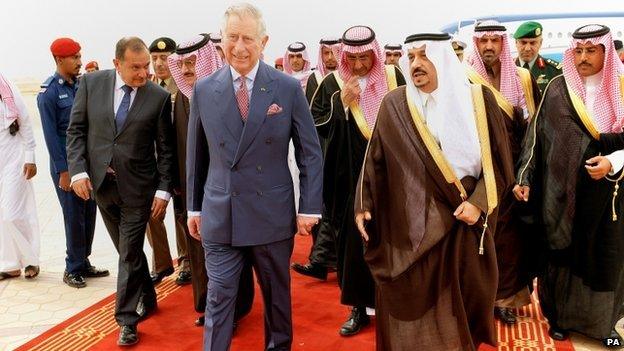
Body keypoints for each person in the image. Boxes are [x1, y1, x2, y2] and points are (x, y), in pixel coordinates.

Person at [355, 32, 514, 351]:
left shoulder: (478, 101)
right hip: (410, 225)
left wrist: (479, 204)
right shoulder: (395, 104)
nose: (416, 64)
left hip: (462, 221)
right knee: (412, 299)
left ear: (443, 58)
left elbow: (499, 163)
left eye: (425, 56)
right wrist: (363, 204)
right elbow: (375, 161)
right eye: (411, 57)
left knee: (461, 299)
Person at [186, 4, 323, 350]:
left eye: (248, 38)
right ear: (221, 41)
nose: (240, 47)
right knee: (218, 302)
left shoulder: (287, 88)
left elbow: (309, 152)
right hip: (221, 214)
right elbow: (196, 155)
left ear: (264, 41)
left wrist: (309, 207)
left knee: (277, 303)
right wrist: (193, 208)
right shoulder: (203, 90)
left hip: (271, 216)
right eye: (232, 37)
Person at [514, 24, 624, 345]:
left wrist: (612, 162)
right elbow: (536, 136)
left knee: (605, 257)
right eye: (578, 51)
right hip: (561, 193)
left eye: (591, 50)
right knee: (560, 254)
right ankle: (560, 318)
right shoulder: (559, 87)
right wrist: (524, 177)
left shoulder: (620, 87)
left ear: (605, 50)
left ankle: (604, 325)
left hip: (609, 193)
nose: (583, 58)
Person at [67, 37, 175, 346]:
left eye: (145, 67)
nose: (144, 74)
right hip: (101, 186)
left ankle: (127, 320)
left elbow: (165, 150)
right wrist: (78, 170)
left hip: (138, 188)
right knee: (126, 250)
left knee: (128, 253)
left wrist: (163, 190)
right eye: (135, 68)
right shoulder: (91, 84)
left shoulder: (157, 97)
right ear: (117, 64)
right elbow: (76, 131)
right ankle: (148, 295)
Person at [311, 24, 405, 336]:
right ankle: (357, 308)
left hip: (391, 174)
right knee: (353, 245)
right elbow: (315, 126)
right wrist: (341, 104)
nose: (361, 65)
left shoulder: (393, 77)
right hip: (349, 178)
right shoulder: (331, 83)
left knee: (391, 238)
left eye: (366, 58)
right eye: (354, 59)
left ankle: (393, 305)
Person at [167, 33, 255, 328]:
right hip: (194, 191)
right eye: (184, 64)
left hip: (227, 191)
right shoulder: (182, 96)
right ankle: (210, 304)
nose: (188, 69)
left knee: (232, 252)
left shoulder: (227, 92)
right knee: (201, 251)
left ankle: (235, 309)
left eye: (193, 62)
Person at [466, 20, 542, 325]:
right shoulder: (465, 79)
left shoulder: (523, 78)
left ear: (502, 43)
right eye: (483, 41)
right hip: (479, 170)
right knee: (481, 236)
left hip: (514, 170)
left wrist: (526, 174)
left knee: (512, 237)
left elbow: (535, 130)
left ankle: (507, 299)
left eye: (494, 41)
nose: (488, 46)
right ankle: (479, 297)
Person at [37, 37, 108, 288]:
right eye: (74, 57)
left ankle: (83, 261)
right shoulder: (49, 93)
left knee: (89, 213)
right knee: (73, 215)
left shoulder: (80, 86)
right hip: (67, 166)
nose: (79, 62)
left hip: (86, 164)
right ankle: (72, 267)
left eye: (80, 56)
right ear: (59, 60)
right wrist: (63, 171)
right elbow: (51, 136)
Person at [147, 36, 190, 285]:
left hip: (179, 161)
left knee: (181, 213)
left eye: (164, 58)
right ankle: (161, 264)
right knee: (152, 213)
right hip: (155, 162)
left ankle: (185, 261)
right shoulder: (149, 87)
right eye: (155, 59)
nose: (159, 63)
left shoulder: (183, 87)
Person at [0, 72, 40, 281]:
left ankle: (31, 259)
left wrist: (30, 156)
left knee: (12, 213)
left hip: (13, 157)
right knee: (1, 215)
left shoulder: (6, 86)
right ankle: (10, 264)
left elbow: (24, 121)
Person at [513, 21, 562, 92]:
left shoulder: (554, 71)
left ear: (540, 43)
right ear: (516, 43)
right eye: (523, 43)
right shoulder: (506, 69)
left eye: (533, 43)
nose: (527, 48)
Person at [304, 37, 341, 103]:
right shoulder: (314, 78)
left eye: (333, 52)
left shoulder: (347, 76)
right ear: (321, 55)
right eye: (326, 53)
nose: (330, 57)